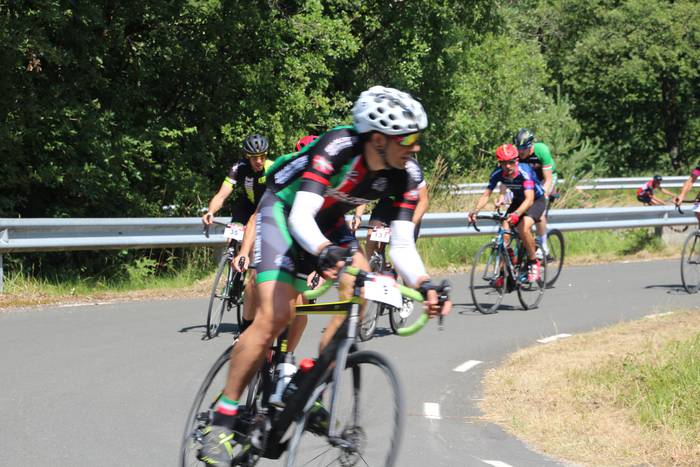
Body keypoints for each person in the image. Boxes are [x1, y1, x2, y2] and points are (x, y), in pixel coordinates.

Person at [197, 86, 452, 465]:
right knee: (276, 316)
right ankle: (222, 418)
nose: (415, 147)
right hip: (283, 210)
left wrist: (424, 284)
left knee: (361, 290)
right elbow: (301, 216)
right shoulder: (338, 147)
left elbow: (401, 244)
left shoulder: (405, 173)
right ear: (378, 139)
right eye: (407, 139)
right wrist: (322, 251)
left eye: (417, 138)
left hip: (329, 222)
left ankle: (308, 382)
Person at [201, 134, 272, 334]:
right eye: (255, 157)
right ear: (247, 157)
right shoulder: (238, 168)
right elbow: (222, 194)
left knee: (252, 246)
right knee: (233, 234)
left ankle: (248, 278)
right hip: (246, 206)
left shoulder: (272, 168)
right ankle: (232, 273)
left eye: (262, 156)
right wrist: (211, 211)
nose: (259, 161)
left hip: (264, 210)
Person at [468, 144, 545, 284]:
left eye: (511, 162)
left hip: (535, 200)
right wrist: (475, 210)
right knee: (504, 233)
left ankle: (533, 262)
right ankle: (504, 273)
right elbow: (486, 195)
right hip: (518, 200)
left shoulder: (524, 171)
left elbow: (529, 199)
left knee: (523, 227)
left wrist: (516, 214)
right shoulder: (498, 173)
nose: (508, 166)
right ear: (500, 163)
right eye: (504, 163)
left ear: (516, 161)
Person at [352, 154, 429, 261]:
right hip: (386, 204)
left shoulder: (412, 168)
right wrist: (357, 217)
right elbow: (364, 196)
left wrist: (410, 225)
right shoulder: (379, 165)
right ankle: (372, 267)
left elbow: (424, 201)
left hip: (408, 209)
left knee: (403, 254)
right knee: (371, 239)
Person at [513, 129, 557, 259]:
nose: (520, 151)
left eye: (523, 148)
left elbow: (548, 179)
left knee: (539, 211)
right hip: (530, 179)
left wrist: (543, 196)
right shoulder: (516, 155)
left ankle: (544, 247)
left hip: (545, 177)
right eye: (518, 148)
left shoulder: (541, 150)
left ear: (531, 145)